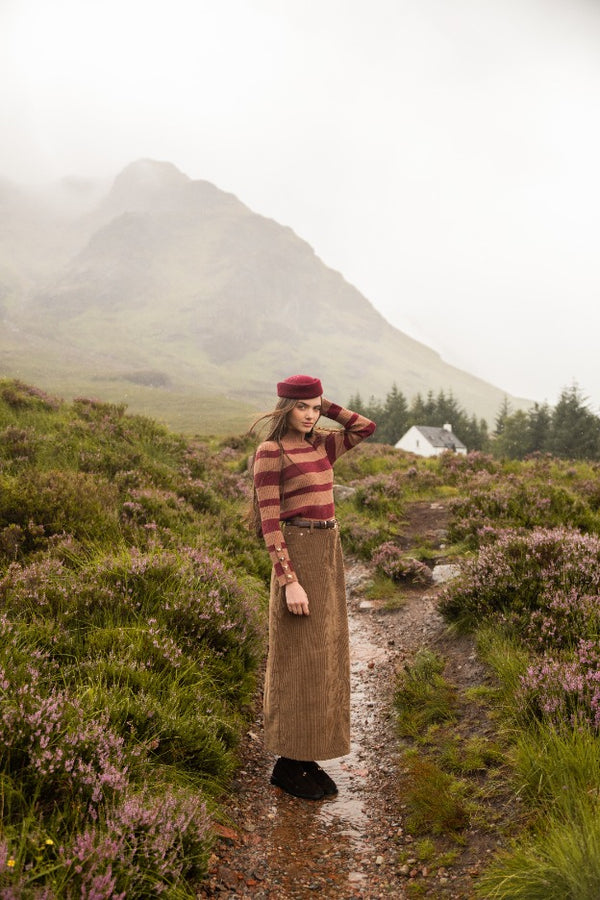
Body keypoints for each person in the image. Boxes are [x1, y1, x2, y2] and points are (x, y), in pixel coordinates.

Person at [251, 374, 376, 800]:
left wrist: (326, 404)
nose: (310, 415)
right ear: (285, 407)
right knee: (298, 656)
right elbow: (270, 521)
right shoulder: (272, 451)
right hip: (298, 554)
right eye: (302, 407)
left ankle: (305, 757)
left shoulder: (321, 443)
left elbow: (365, 428)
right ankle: (287, 762)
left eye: (315, 407)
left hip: (328, 550)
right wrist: (289, 581)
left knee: (323, 654)